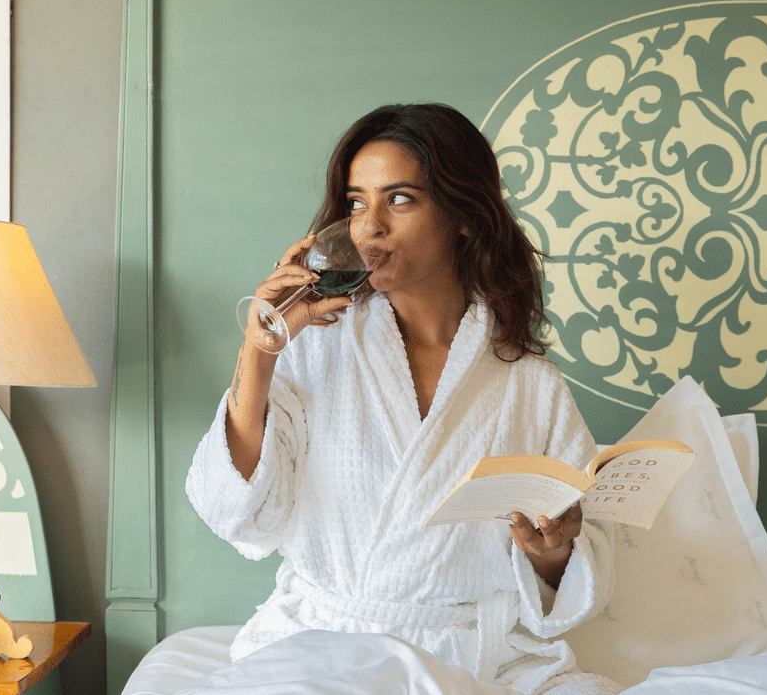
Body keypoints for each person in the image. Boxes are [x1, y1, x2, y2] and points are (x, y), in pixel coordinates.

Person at [185, 104, 621, 694]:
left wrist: (550, 553)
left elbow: (578, 567)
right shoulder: (315, 347)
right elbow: (234, 509)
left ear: (463, 216)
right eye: (356, 203)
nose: (369, 227)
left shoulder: (529, 383)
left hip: (468, 654)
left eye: (399, 199)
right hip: (324, 647)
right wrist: (260, 349)